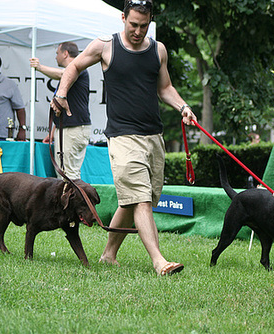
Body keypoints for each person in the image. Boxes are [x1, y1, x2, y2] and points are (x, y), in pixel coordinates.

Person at [51, 0, 197, 276]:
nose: (138, 31)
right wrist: (61, 94)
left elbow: (165, 88)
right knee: (140, 198)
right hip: (121, 135)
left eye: (143, 26)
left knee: (134, 200)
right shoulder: (106, 47)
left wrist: (183, 108)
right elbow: (73, 67)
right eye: (133, 25)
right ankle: (159, 261)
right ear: (123, 18)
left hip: (153, 136)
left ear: (150, 22)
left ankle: (108, 254)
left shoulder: (158, 50)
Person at [30, 42, 91, 179]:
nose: (56, 57)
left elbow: (62, 74)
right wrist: (53, 132)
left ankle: (73, 200)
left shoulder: (78, 68)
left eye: (57, 53)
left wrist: (39, 67)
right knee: (64, 173)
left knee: (68, 174)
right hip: (68, 128)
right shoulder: (73, 72)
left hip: (73, 129)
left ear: (65, 54)